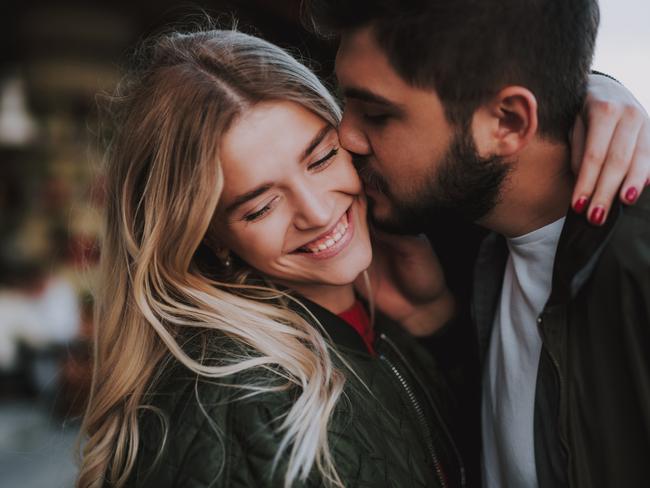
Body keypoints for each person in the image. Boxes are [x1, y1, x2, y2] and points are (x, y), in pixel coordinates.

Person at [76, 29, 465, 488]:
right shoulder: (241, 402)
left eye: (321, 158)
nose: (318, 212)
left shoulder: (376, 316)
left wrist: (432, 321)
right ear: (208, 235)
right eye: (261, 206)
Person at [303, 0, 650, 487]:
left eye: (377, 114)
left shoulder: (635, 268)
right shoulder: (463, 223)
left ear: (507, 122)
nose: (347, 136)